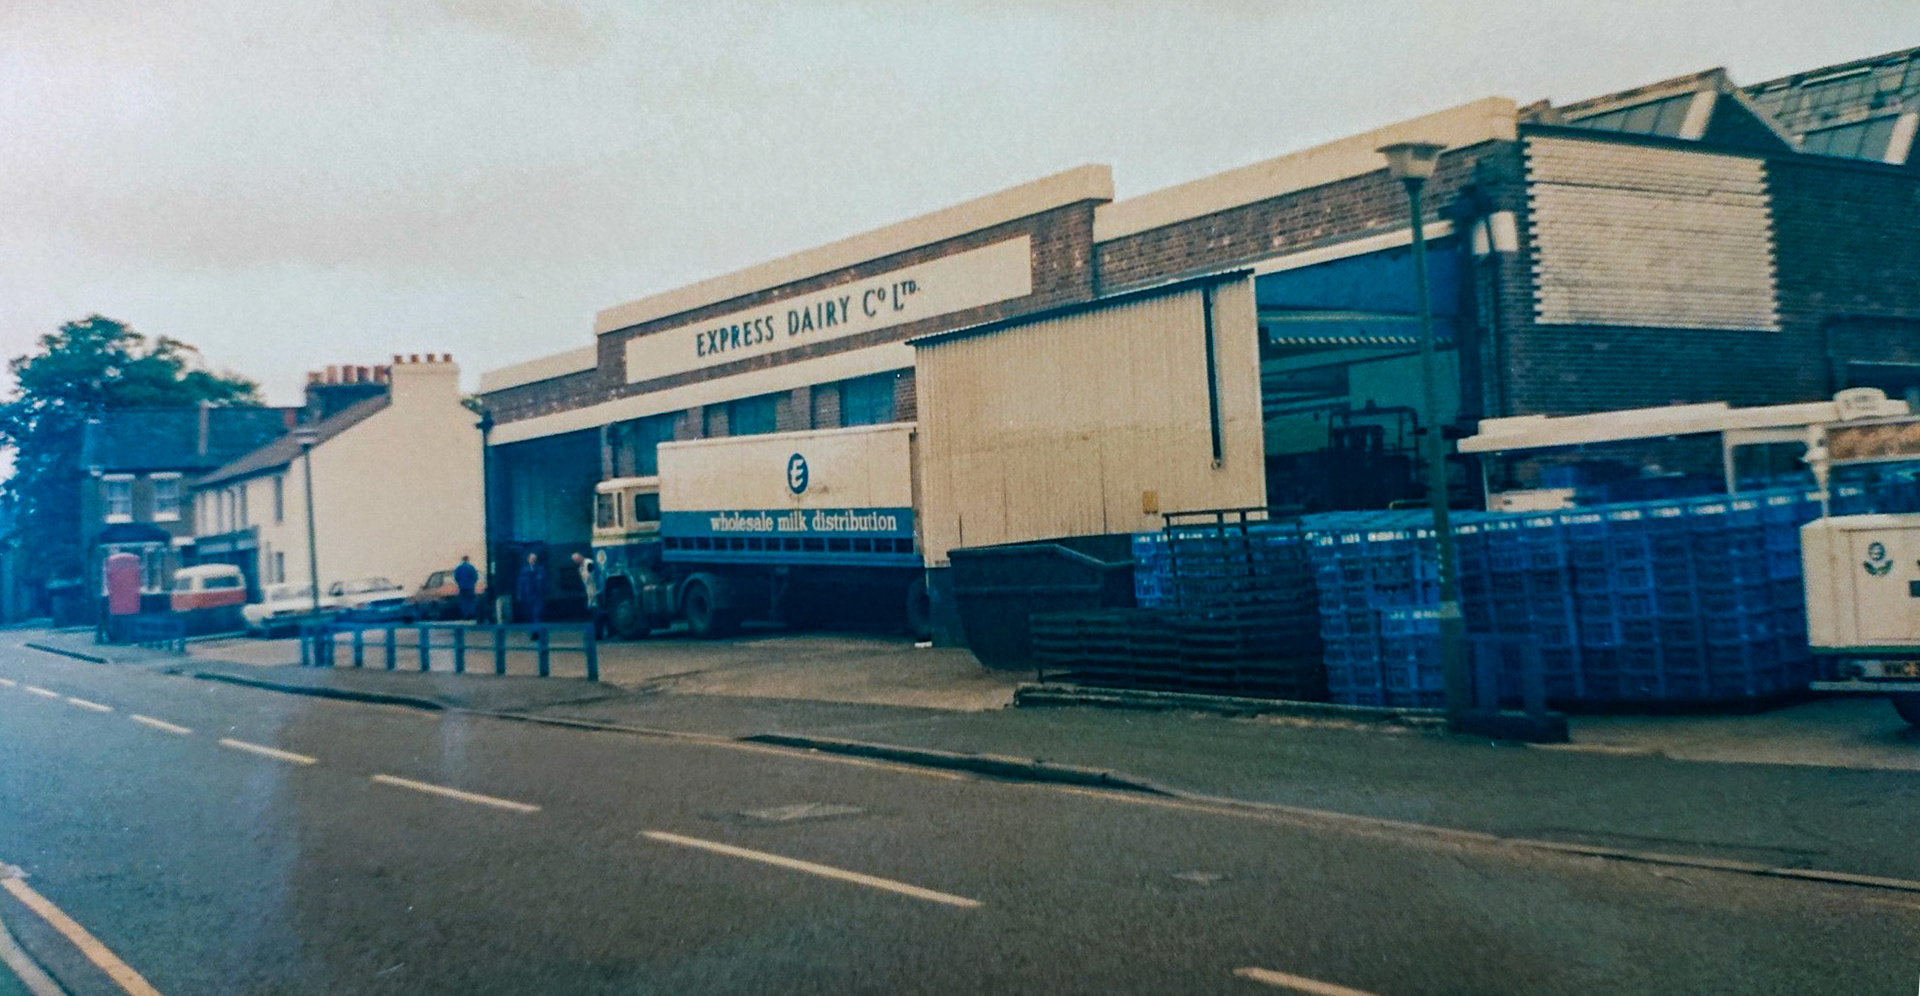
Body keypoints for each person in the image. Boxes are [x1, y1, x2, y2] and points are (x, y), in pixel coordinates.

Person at [572, 551, 605, 638]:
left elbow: (595, 576)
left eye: (577, 559)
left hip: (595, 590)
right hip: (589, 592)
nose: (577, 561)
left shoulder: (589, 563)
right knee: (593, 613)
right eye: (575, 560)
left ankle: (599, 633)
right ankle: (596, 632)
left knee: (598, 613)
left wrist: (598, 589)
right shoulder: (580, 568)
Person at [514, 552, 546, 624]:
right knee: (529, 611)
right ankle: (532, 626)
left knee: (537, 611)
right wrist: (519, 593)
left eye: (534, 559)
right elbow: (520, 582)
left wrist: (543, 590)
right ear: (528, 559)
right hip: (528, 593)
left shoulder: (540, 569)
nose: (533, 560)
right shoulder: (524, 570)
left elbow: (544, 580)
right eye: (532, 559)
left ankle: (537, 626)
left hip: (538, 593)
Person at [453, 555, 480, 621]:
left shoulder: (459, 568)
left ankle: (466, 614)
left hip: (462, 587)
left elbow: (456, 577)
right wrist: (472, 582)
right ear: (468, 559)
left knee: (464, 601)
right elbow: (475, 577)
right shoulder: (471, 567)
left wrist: (460, 583)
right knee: (471, 600)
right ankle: (471, 613)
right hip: (470, 587)